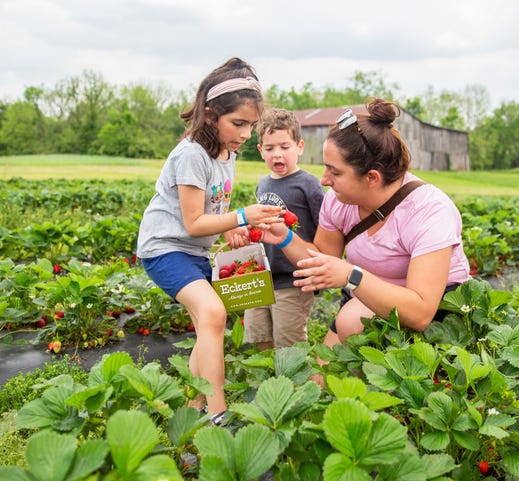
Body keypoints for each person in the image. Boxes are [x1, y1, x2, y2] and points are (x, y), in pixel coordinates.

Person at [256, 97, 470, 354]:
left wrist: (351, 275)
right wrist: (285, 238)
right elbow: (322, 260)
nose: (324, 180)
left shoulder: (428, 210)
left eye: (334, 172)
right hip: (365, 296)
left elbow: (420, 312)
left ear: (372, 177)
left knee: (353, 327)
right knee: (318, 383)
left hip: (435, 314)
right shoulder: (338, 201)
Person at [136, 57, 283, 424]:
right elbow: (192, 221)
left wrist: (230, 227)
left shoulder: (227, 154)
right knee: (214, 313)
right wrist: (242, 216)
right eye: (238, 123)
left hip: (192, 250)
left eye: (251, 125)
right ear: (210, 113)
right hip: (165, 248)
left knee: (208, 324)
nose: (247, 134)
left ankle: (194, 408)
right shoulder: (191, 155)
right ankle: (219, 415)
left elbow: (211, 213)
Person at [243, 108, 325, 350]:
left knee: (288, 343)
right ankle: (268, 382)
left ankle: (293, 385)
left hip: (293, 279)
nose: (277, 155)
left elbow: (324, 229)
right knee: (259, 337)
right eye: (269, 149)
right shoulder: (263, 183)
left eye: (284, 147)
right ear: (260, 151)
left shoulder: (308, 184)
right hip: (262, 275)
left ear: (299, 147)